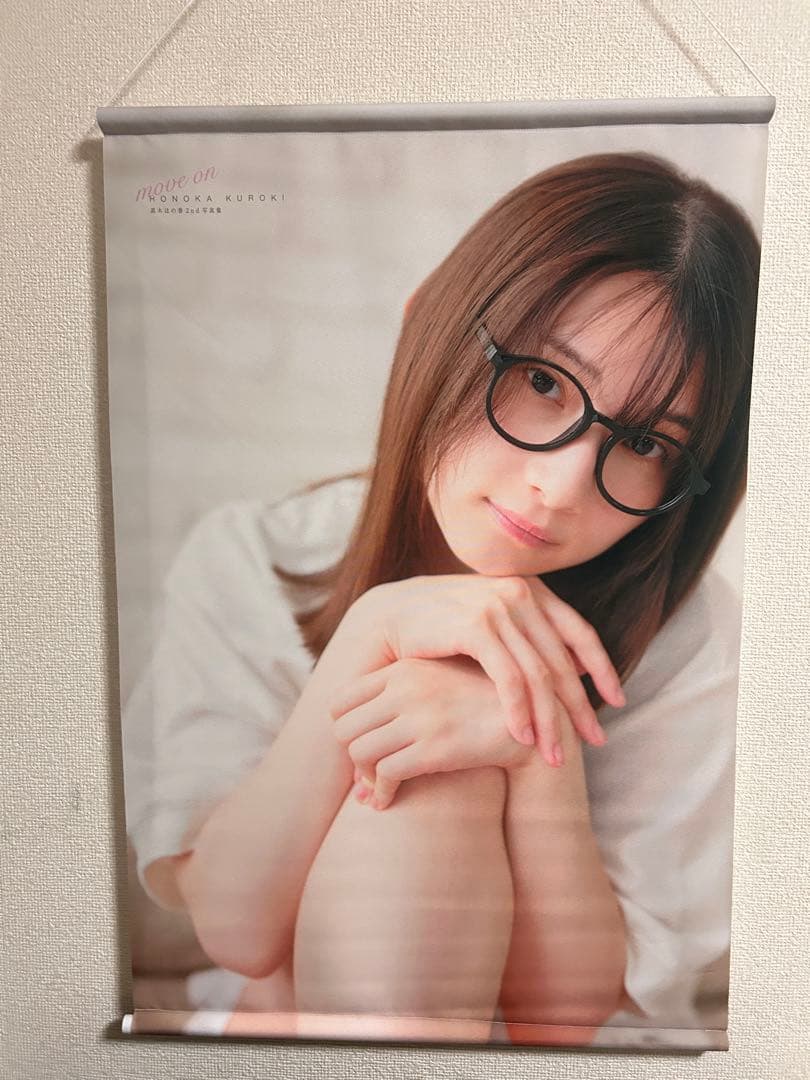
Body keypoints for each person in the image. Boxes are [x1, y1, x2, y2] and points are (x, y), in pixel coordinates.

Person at [122, 150, 760, 1047]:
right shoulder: (257, 555)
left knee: (442, 774)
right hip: (294, 1027)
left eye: (647, 443)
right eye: (543, 381)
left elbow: (563, 1019)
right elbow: (236, 926)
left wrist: (533, 746)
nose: (561, 485)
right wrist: (374, 632)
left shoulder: (689, 638)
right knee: (415, 766)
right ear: (429, 320)